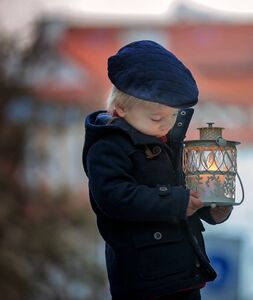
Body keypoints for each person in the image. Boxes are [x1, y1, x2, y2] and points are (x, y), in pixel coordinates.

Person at [82, 40, 233, 300]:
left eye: (172, 116)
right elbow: (114, 197)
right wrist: (177, 202)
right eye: (156, 118)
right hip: (143, 280)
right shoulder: (108, 145)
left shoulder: (169, 143)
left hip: (185, 275)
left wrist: (211, 207)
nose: (166, 125)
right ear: (121, 108)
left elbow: (186, 192)